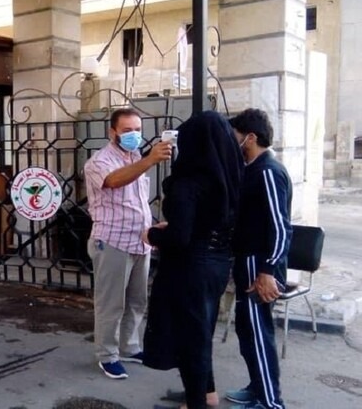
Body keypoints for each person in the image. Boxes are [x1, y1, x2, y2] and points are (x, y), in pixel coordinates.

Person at [141, 111, 243, 409]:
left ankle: (196, 402)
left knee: (190, 338)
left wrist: (152, 235)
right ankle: (206, 392)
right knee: (202, 332)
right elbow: (209, 222)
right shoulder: (232, 176)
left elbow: (179, 238)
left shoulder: (188, 183)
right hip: (218, 263)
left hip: (190, 268)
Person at [84, 107, 173, 379]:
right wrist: (150, 160)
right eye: (127, 130)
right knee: (111, 303)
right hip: (112, 241)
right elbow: (113, 181)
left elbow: (136, 200)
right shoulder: (99, 161)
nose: (134, 135)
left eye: (137, 130)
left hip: (140, 240)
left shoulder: (134, 157)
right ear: (112, 132)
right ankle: (107, 355)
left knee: (137, 300)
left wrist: (153, 224)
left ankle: (129, 346)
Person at [225, 108, 292, 409]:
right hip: (247, 261)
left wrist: (268, 270)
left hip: (259, 264)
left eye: (236, 136)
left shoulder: (268, 171)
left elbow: (280, 227)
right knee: (247, 331)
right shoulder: (251, 169)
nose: (233, 142)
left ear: (250, 138)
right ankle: (257, 387)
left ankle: (270, 401)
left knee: (258, 333)